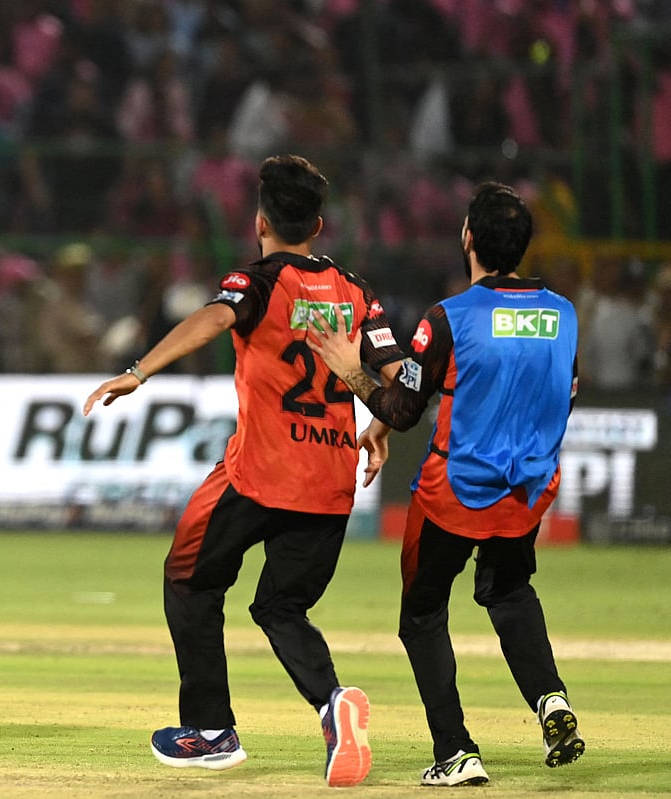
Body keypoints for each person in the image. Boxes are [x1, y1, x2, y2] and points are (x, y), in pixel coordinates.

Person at [83, 154, 403, 786]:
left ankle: (208, 730)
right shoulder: (358, 292)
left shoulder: (258, 281)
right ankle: (332, 705)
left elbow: (215, 317)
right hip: (331, 483)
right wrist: (381, 427)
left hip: (260, 473)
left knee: (189, 581)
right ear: (319, 223)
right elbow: (399, 386)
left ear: (260, 221)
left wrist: (140, 370)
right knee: (283, 608)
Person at [306, 182, 585, 787]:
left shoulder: (449, 317)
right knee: (510, 595)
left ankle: (456, 750)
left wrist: (352, 373)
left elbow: (406, 408)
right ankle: (552, 701)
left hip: (454, 492)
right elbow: (565, 390)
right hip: (528, 490)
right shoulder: (563, 314)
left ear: (468, 238)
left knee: (423, 615)